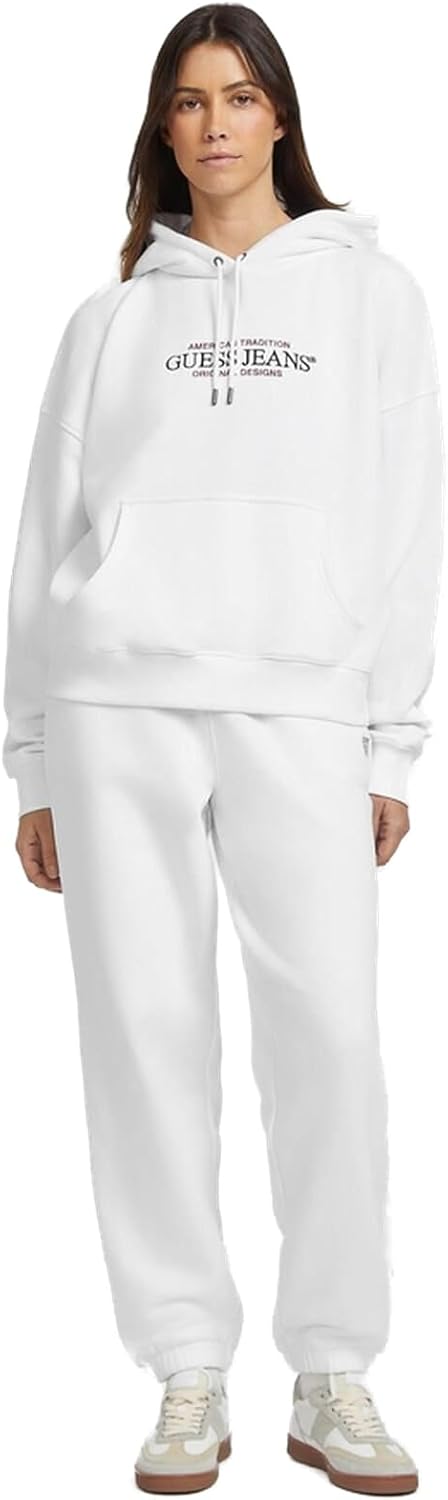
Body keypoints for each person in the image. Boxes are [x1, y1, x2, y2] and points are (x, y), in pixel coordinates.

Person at [2, 4, 444, 1494]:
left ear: (280, 118)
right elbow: (44, 538)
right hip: (114, 703)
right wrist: (33, 757)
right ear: (163, 129)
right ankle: (187, 1366)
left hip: (303, 702)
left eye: (240, 97)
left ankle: (335, 1370)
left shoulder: (372, 295)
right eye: (189, 102)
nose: (214, 125)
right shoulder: (108, 320)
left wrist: (390, 740)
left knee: (330, 1035)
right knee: (142, 1037)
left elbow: (409, 520)